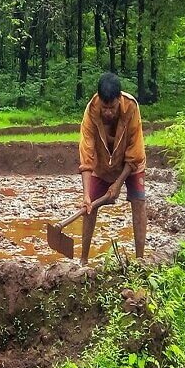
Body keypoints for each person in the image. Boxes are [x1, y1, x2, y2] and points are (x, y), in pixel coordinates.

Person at [77, 72, 147, 265]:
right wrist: (85, 196)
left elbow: (135, 152)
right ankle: (83, 260)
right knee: (89, 207)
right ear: (100, 100)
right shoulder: (91, 112)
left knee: (139, 201)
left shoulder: (131, 107)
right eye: (105, 108)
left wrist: (118, 184)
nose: (108, 112)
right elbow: (86, 154)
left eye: (112, 108)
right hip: (102, 163)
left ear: (119, 100)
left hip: (130, 164)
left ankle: (140, 260)